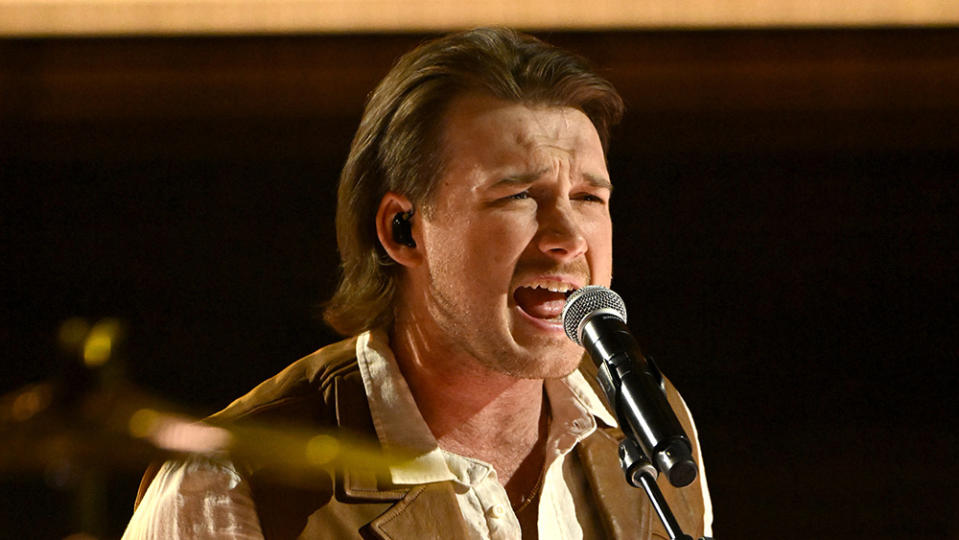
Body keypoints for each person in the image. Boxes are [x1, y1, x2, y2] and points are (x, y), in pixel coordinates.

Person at [123, 27, 713, 539]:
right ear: (403, 231)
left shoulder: (651, 425)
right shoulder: (226, 483)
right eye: (518, 196)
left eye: (588, 197)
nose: (569, 237)